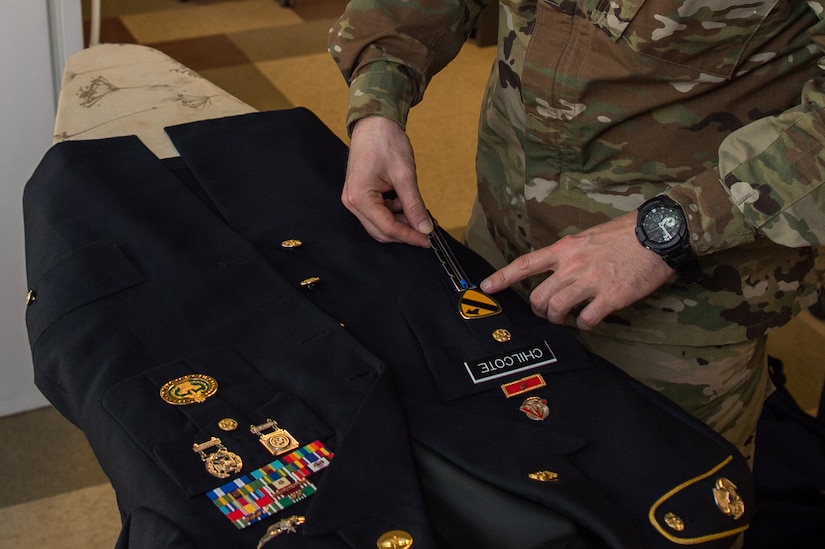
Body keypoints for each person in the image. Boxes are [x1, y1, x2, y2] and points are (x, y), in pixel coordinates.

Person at [328, 0, 825, 464]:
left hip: (680, 296)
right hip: (502, 234)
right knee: (493, 466)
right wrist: (377, 104)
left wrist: (674, 227)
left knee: (654, 501)